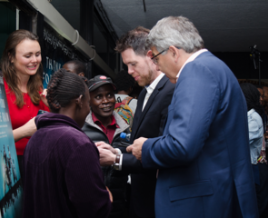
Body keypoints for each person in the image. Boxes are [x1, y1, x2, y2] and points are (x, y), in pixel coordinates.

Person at [127, 16, 258, 218]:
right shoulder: (214, 68)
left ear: (173, 51)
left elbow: (181, 145)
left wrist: (145, 148)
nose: (158, 67)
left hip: (201, 203)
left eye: (157, 58)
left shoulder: (197, 70)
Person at [97, 26, 175, 218]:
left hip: (156, 197)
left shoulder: (171, 91)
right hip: (138, 193)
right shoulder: (145, 93)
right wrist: (116, 151)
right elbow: (139, 142)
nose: (129, 71)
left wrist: (116, 160)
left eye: (133, 64)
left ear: (151, 56)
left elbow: (165, 152)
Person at [0, 29, 49, 218]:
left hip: (35, 172)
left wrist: (54, 109)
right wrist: (22, 132)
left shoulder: (41, 91)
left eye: (37, 54)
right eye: (28, 55)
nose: (34, 60)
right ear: (11, 57)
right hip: (1, 176)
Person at [23, 69, 111, 218]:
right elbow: (96, 209)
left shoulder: (35, 138)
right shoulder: (77, 144)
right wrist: (107, 195)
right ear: (79, 100)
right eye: (88, 103)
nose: (88, 110)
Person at [82, 75, 130, 218]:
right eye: (98, 97)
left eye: (109, 95)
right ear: (89, 100)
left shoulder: (125, 127)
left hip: (120, 205)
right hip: (91, 205)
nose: (106, 101)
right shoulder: (80, 128)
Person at [241, 83, 268, 217]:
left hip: (251, 168)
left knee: (253, 207)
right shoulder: (244, 115)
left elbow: (241, 140)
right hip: (244, 167)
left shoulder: (254, 118)